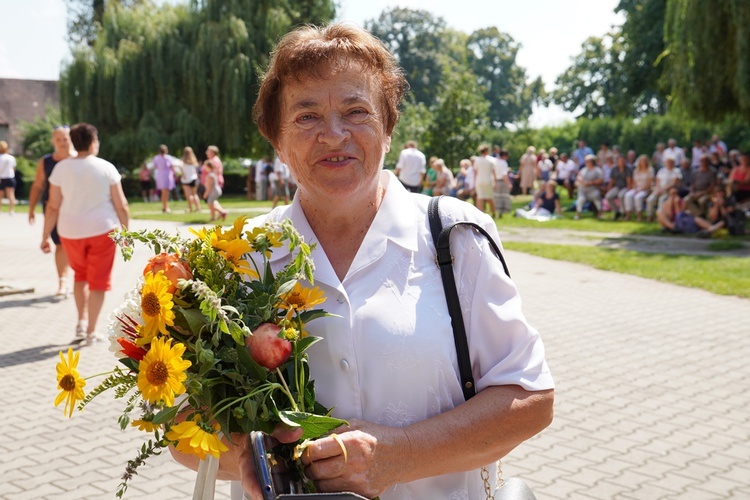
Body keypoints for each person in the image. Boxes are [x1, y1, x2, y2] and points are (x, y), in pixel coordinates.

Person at [171, 23, 554, 500]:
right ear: (276, 139)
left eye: (356, 111)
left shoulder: (456, 237)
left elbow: (530, 397)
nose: (334, 135)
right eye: (307, 116)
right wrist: (247, 457)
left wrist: (402, 454)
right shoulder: (236, 258)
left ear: (389, 128)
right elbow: (184, 430)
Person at [40, 123, 129, 342]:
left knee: (80, 276)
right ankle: (91, 331)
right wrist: (126, 233)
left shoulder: (61, 168)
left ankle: (80, 322)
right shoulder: (106, 167)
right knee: (98, 281)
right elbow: (121, 205)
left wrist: (44, 236)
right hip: (103, 230)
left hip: (70, 232)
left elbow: (52, 206)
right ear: (93, 142)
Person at [28, 126, 76, 298]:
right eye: (58, 139)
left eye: (65, 139)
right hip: (52, 208)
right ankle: (63, 281)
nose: (62, 143)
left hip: (75, 208)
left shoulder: (79, 159)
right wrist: (31, 209)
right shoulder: (47, 161)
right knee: (60, 244)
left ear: (71, 139)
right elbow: (38, 185)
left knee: (74, 245)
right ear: (53, 141)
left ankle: (78, 279)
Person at [646, 155, 682, 222]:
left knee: (661, 200)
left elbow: (674, 183)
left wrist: (664, 189)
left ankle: (660, 216)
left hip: (669, 191)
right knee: (650, 199)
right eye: (668, 162)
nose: (669, 163)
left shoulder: (676, 171)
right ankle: (649, 216)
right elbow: (657, 181)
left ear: (673, 163)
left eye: (671, 162)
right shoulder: (661, 170)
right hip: (659, 189)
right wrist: (658, 189)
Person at [623, 154, 655, 222]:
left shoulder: (650, 170)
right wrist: (635, 189)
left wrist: (640, 189)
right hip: (636, 188)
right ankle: (628, 214)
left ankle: (639, 216)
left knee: (638, 197)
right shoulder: (636, 170)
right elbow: (634, 182)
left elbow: (649, 184)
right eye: (642, 161)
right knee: (627, 195)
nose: (643, 162)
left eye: (644, 161)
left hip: (646, 189)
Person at [574, 154, 604, 220]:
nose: (586, 162)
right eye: (586, 161)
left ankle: (600, 212)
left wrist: (591, 183)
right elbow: (579, 176)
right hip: (583, 190)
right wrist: (581, 181)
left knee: (596, 198)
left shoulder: (597, 170)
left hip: (593, 189)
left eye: (587, 161)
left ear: (592, 161)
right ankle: (578, 213)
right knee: (580, 200)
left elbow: (601, 180)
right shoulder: (583, 169)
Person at [605, 155, 633, 220]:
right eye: (620, 161)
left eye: (623, 161)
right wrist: (609, 187)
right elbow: (612, 180)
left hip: (625, 187)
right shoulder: (614, 169)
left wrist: (629, 189)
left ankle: (623, 212)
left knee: (621, 195)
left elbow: (629, 181)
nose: (622, 162)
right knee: (608, 196)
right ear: (617, 161)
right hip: (617, 186)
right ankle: (616, 211)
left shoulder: (628, 169)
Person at [473, 144, 497, 215]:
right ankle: (493, 213)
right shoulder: (491, 160)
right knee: (490, 198)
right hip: (488, 181)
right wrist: (495, 183)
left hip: (479, 181)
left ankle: (481, 214)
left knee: (480, 198)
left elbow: (475, 173)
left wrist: (474, 183)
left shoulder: (477, 160)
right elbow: (494, 172)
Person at [153, 144, 175, 213]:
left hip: (160, 175)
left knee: (163, 192)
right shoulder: (168, 157)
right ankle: (166, 207)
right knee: (166, 192)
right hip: (167, 175)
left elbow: (155, 167)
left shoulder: (156, 158)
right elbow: (172, 166)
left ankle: (164, 206)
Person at [180, 146, 202, 213]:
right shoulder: (194, 162)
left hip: (185, 180)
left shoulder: (182, 163)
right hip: (193, 178)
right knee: (194, 194)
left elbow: (182, 173)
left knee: (188, 195)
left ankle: (190, 207)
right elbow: (196, 171)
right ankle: (198, 207)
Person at [493, 148, 513, 217]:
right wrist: (509, 183)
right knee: (503, 197)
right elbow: (504, 175)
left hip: (495, 181)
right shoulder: (503, 163)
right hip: (502, 181)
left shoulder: (494, 161)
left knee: (497, 197)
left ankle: (496, 211)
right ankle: (500, 213)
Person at [0, 140, 17, 215]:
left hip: (1, 178)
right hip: (10, 177)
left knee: (0, 195)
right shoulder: (11, 158)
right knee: (10, 194)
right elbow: (14, 169)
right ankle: (11, 210)